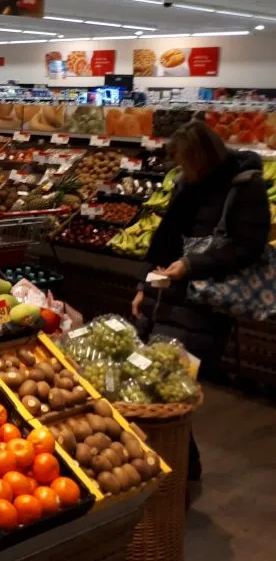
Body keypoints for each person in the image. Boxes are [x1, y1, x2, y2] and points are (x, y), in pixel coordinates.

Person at [132, 120, 269, 484]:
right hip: (163, 299)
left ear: (202, 157)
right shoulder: (185, 184)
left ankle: (178, 470)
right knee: (154, 387)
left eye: (183, 160)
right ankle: (176, 467)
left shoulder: (243, 186)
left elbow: (247, 247)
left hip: (205, 307)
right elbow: (163, 241)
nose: (179, 168)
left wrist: (192, 265)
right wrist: (143, 286)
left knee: (170, 389)